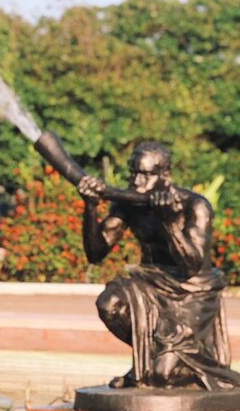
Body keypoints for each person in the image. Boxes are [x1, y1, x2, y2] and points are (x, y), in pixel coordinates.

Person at [78, 142, 239, 390]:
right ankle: (150, 360)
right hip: (150, 280)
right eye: (133, 172)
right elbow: (95, 253)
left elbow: (192, 265)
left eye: (145, 174)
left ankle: (165, 364)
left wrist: (170, 223)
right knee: (108, 304)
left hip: (192, 290)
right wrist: (90, 207)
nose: (137, 182)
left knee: (163, 377)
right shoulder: (128, 205)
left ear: (165, 175)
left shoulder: (194, 205)